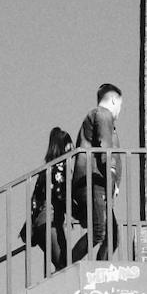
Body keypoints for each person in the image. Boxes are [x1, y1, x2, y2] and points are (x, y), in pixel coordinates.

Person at [72, 82, 123, 260]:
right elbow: (104, 147)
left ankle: (100, 270)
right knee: (99, 230)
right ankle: (67, 267)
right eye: (120, 106)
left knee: (112, 235)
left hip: (97, 182)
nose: (119, 111)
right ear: (115, 101)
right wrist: (111, 174)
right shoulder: (102, 114)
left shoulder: (99, 116)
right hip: (94, 182)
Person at [24, 127, 72, 273]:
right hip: (48, 222)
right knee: (65, 265)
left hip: (40, 224)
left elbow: (35, 200)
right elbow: (60, 196)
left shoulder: (47, 170)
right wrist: (78, 212)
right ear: (64, 148)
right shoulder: (59, 168)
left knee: (62, 265)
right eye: (70, 149)